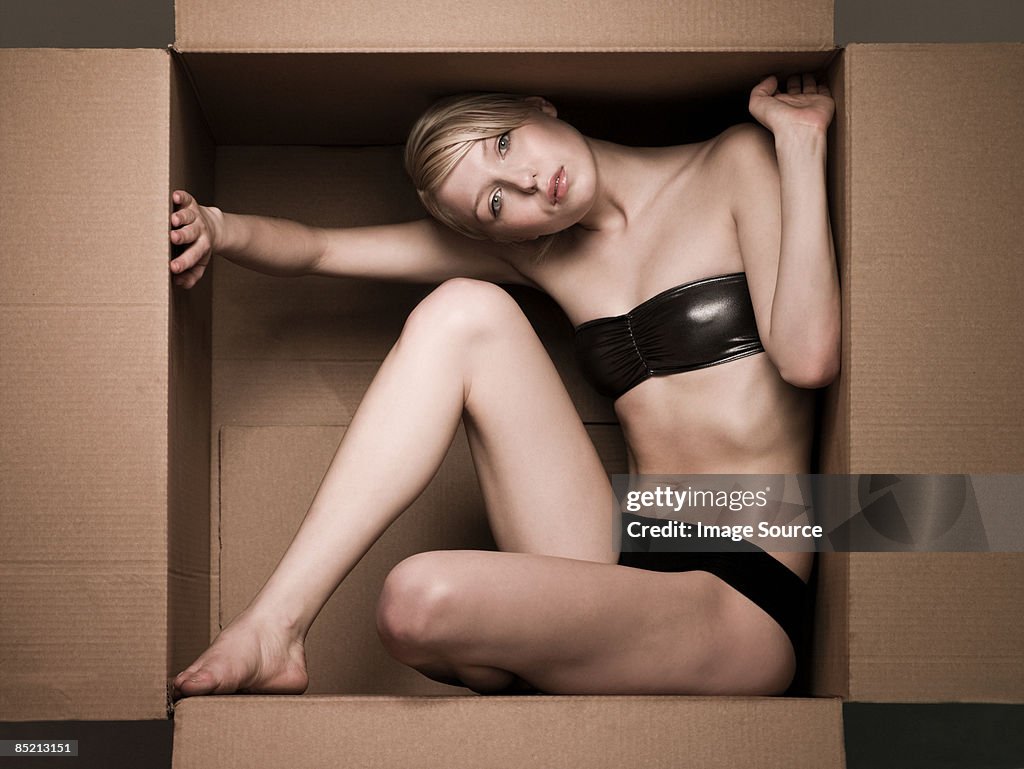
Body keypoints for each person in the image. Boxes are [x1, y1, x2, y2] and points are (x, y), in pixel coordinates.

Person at [169, 73, 839, 699]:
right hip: (623, 560)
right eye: (495, 201)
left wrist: (801, 143)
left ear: (538, 108)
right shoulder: (540, 249)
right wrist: (221, 227)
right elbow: (319, 248)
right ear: (496, 228)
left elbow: (808, 360)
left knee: (415, 598)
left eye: (504, 143)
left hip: (743, 595)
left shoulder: (733, 161)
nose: (524, 183)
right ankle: (274, 626)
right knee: (462, 310)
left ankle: (528, 663)